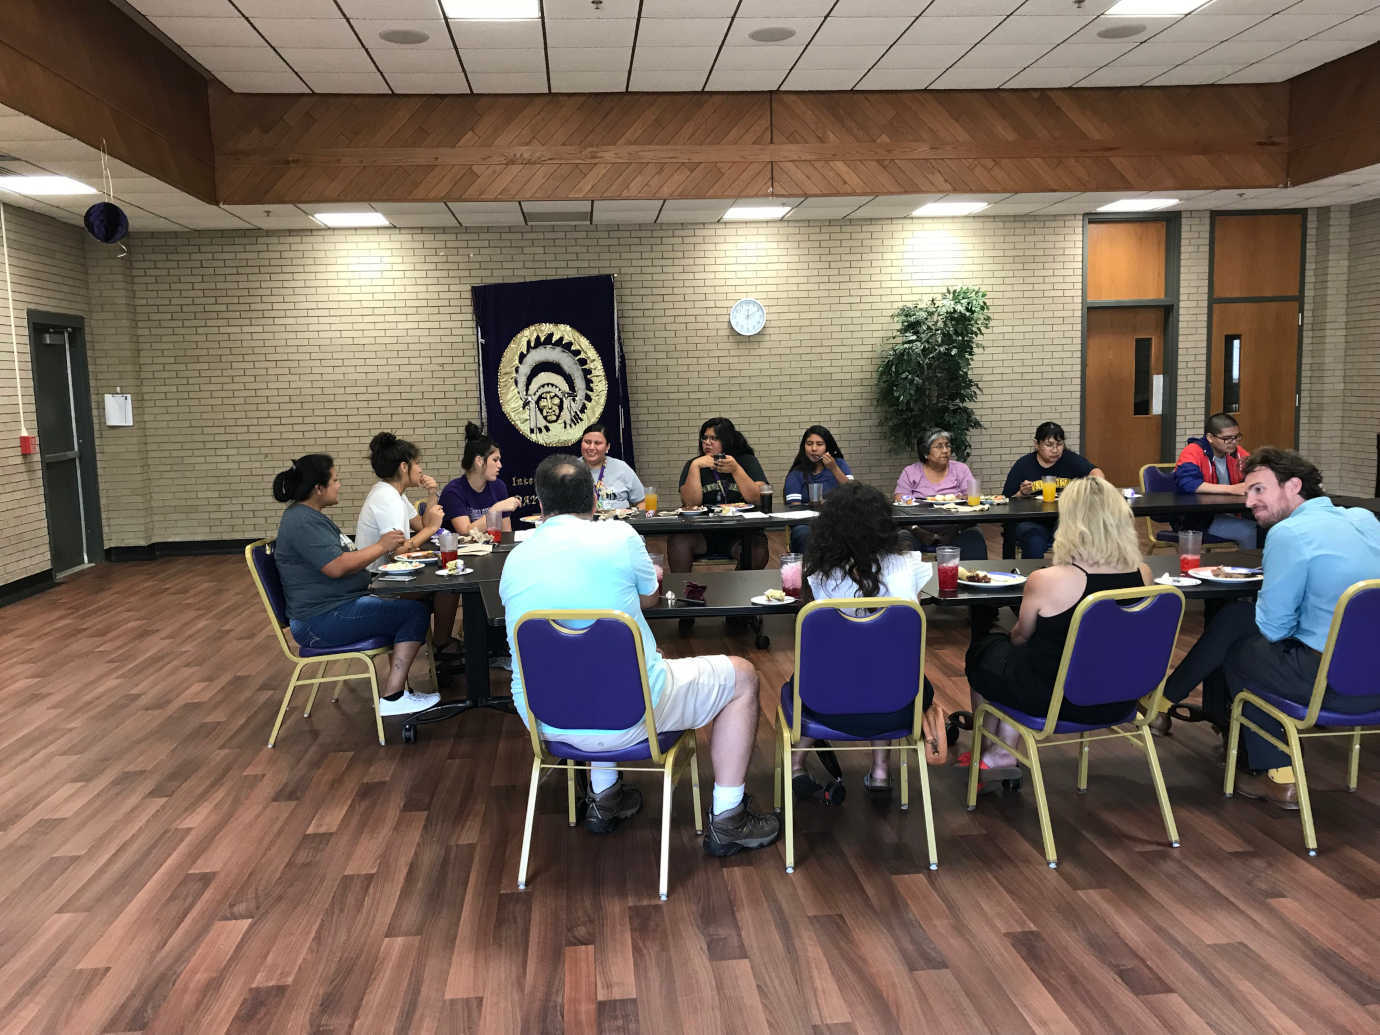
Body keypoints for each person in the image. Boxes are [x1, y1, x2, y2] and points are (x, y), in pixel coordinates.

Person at [500, 455, 780, 854]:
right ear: (594, 500)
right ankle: (729, 817)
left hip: (545, 721)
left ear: (541, 505)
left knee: (590, 670)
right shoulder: (620, 536)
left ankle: (605, 798)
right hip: (630, 714)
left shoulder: (515, 559)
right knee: (743, 676)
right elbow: (650, 597)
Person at [1161, 448, 1380, 808]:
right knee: (1237, 618)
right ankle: (1166, 701)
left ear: (1293, 486)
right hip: (1372, 681)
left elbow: (1273, 628)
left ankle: (1279, 775)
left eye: (1259, 490)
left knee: (1240, 650)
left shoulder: (1289, 533)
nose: (1248, 502)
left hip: (1331, 685)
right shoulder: (1365, 519)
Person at [965, 476, 1150, 774]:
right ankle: (1001, 749)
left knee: (986, 651)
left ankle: (993, 752)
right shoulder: (1143, 574)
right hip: (1121, 696)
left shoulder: (1048, 580)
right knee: (1025, 661)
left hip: (1056, 700)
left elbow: (1020, 638)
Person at [789, 482, 940, 800]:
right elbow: (910, 624)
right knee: (888, 670)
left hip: (827, 704)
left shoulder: (819, 575)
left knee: (810, 680)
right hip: (899, 706)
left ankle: (795, 765)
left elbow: (815, 644)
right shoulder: (908, 566)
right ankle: (881, 772)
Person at [270, 454, 440, 716]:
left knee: (415, 602)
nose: (339, 485)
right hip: (319, 620)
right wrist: (381, 546)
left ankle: (402, 688)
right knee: (413, 613)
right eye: (335, 480)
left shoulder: (309, 516)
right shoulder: (302, 521)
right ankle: (394, 697)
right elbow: (336, 566)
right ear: (318, 488)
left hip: (334, 608)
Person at [355, 431, 457, 652]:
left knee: (447, 582)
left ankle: (441, 645)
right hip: (377, 582)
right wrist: (432, 528)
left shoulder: (394, 494)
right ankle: (442, 646)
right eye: (417, 463)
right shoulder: (387, 498)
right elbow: (398, 552)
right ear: (404, 467)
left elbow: (421, 524)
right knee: (447, 586)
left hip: (389, 576)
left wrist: (432, 493)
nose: (420, 469)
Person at [669, 417, 769, 572]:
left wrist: (736, 470)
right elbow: (690, 503)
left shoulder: (746, 461)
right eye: (704, 438)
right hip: (702, 532)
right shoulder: (694, 464)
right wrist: (695, 467)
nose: (707, 443)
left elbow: (757, 498)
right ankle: (681, 586)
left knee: (757, 550)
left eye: (714, 438)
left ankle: (740, 584)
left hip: (740, 531)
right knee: (678, 541)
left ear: (727, 440)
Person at [1001, 421, 1106, 559]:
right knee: (1034, 541)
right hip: (1031, 522)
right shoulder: (1024, 464)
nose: (1055, 450)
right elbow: (1005, 501)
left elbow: (1096, 472)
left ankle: (1072, 571)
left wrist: (1094, 485)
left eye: (1059, 444)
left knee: (1078, 535)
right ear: (1036, 444)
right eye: (1049, 445)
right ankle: (1033, 572)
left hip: (1064, 519)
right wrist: (1022, 493)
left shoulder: (1070, 459)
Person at [895, 429, 988, 560]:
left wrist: (955, 529)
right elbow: (900, 503)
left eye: (947, 445)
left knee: (974, 536)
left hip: (957, 527)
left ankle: (973, 573)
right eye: (939, 446)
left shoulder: (961, 469)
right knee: (902, 538)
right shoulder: (910, 472)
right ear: (925, 452)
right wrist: (917, 531)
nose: (945, 450)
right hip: (918, 530)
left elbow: (974, 499)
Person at [1172, 412, 1259, 551]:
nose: (1233, 442)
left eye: (1236, 437)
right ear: (1210, 437)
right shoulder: (1193, 452)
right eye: (1227, 439)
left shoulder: (1237, 452)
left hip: (1232, 512)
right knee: (1250, 531)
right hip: (1199, 518)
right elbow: (1188, 483)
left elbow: (1256, 472)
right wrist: (1232, 489)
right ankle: (1250, 564)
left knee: (1269, 525)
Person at [439, 423, 522, 535]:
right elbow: (465, 532)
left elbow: (506, 533)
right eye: (495, 460)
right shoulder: (453, 491)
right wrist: (495, 510)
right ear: (479, 461)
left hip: (493, 545)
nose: (500, 465)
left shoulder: (499, 487)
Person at [782, 425, 853, 553]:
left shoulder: (839, 464)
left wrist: (834, 469)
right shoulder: (796, 473)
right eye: (809, 444)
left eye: (819, 444)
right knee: (803, 533)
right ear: (804, 447)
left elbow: (854, 493)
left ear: (827, 447)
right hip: (807, 524)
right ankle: (810, 565)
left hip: (838, 519)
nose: (814, 449)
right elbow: (794, 508)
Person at [579, 422, 646, 510]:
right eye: (587, 442)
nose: (591, 447)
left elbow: (642, 502)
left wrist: (636, 516)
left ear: (607, 447)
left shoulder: (622, 468)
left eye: (597, 443)